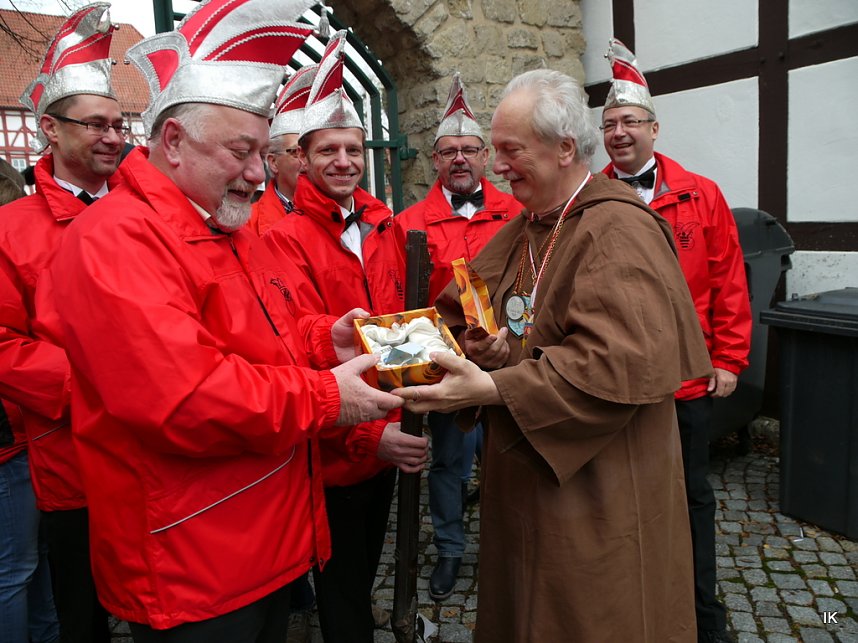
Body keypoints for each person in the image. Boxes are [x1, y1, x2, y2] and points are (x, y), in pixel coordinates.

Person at [46, 2, 402, 641]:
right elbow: (185, 398)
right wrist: (329, 396)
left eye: (264, 154)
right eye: (241, 153)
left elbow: (266, 337)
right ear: (174, 141)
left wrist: (326, 337)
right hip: (192, 560)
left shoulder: (226, 223)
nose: (257, 175)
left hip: (262, 538)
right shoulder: (116, 240)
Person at [393, 69, 713, 642]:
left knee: (589, 613)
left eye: (512, 150)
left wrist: (492, 388)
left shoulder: (616, 229)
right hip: (528, 477)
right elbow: (475, 313)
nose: (496, 167)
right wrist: (483, 348)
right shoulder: (530, 226)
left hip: (597, 488)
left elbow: (617, 360)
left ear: (565, 148)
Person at [264, 31, 428, 643]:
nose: (343, 161)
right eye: (328, 149)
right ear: (300, 158)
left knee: (363, 573)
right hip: (333, 448)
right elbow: (299, 355)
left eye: (353, 149)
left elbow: (401, 325)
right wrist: (372, 439)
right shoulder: (282, 240)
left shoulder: (385, 224)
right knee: (341, 590)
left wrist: (416, 406)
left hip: (391, 423)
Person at [600, 38, 751, 643]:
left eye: (630, 121)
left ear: (654, 129)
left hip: (686, 382)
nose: (619, 132)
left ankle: (700, 614)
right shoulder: (591, 198)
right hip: (621, 382)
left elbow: (728, 281)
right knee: (624, 500)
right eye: (609, 124)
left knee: (690, 499)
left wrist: (731, 358)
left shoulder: (701, 194)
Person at [0, 5, 124, 641]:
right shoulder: (12, 230)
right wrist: (97, 391)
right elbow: (3, 345)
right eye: (95, 125)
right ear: (49, 129)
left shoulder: (153, 213)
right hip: (71, 453)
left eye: (119, 124)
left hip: (155, 447)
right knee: (79, 605)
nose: (112, 137)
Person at [394, 73, 521, 601]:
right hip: (449, 364)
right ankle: (449, 550)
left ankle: (509, 551)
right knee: (448, 464)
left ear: (487, 155)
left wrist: (511, 341)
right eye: (450, 152)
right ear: (435, 158)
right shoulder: (409, 224)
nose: (461, 159)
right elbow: (404, 304)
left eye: (471, 149)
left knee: (511, 459)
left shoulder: (518, 215)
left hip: (511, 363)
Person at [248, 65, 316, 237]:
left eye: (315, 152)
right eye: (296, 152)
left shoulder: (348, 216)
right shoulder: (247, 225)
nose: (307, 162)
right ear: (273, 162)